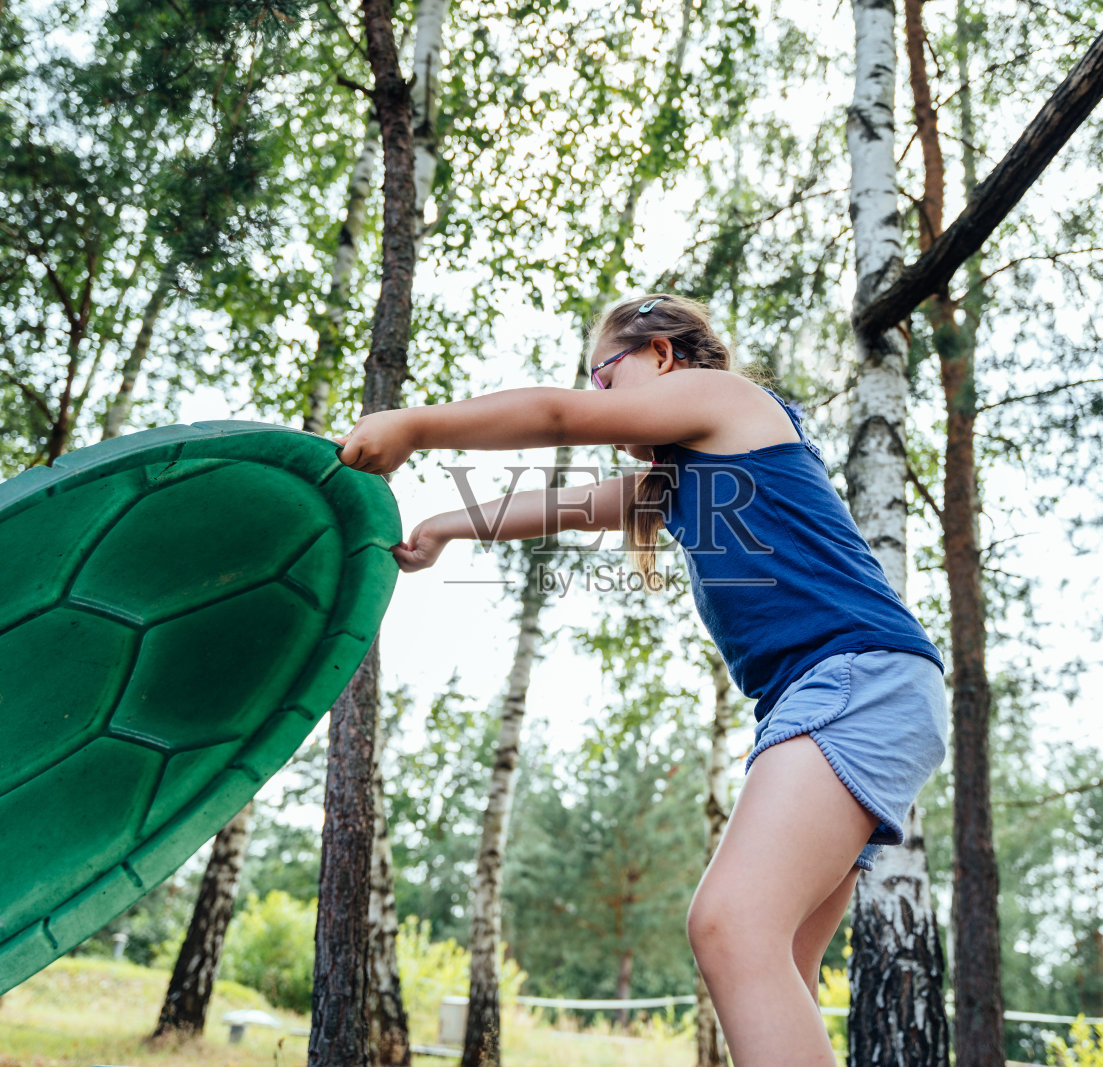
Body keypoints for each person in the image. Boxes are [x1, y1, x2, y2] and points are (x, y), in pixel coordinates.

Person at [334, 293, 947, 1067]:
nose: (598, 400)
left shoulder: (726, 400)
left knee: (730, 924)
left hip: (856, 677)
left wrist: (415, 426)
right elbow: (572, 506)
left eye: (604, 376)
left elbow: (557, 419)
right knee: (776, 957)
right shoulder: (685, 476)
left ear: (662, 353)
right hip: (851, 690)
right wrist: (448, 526)